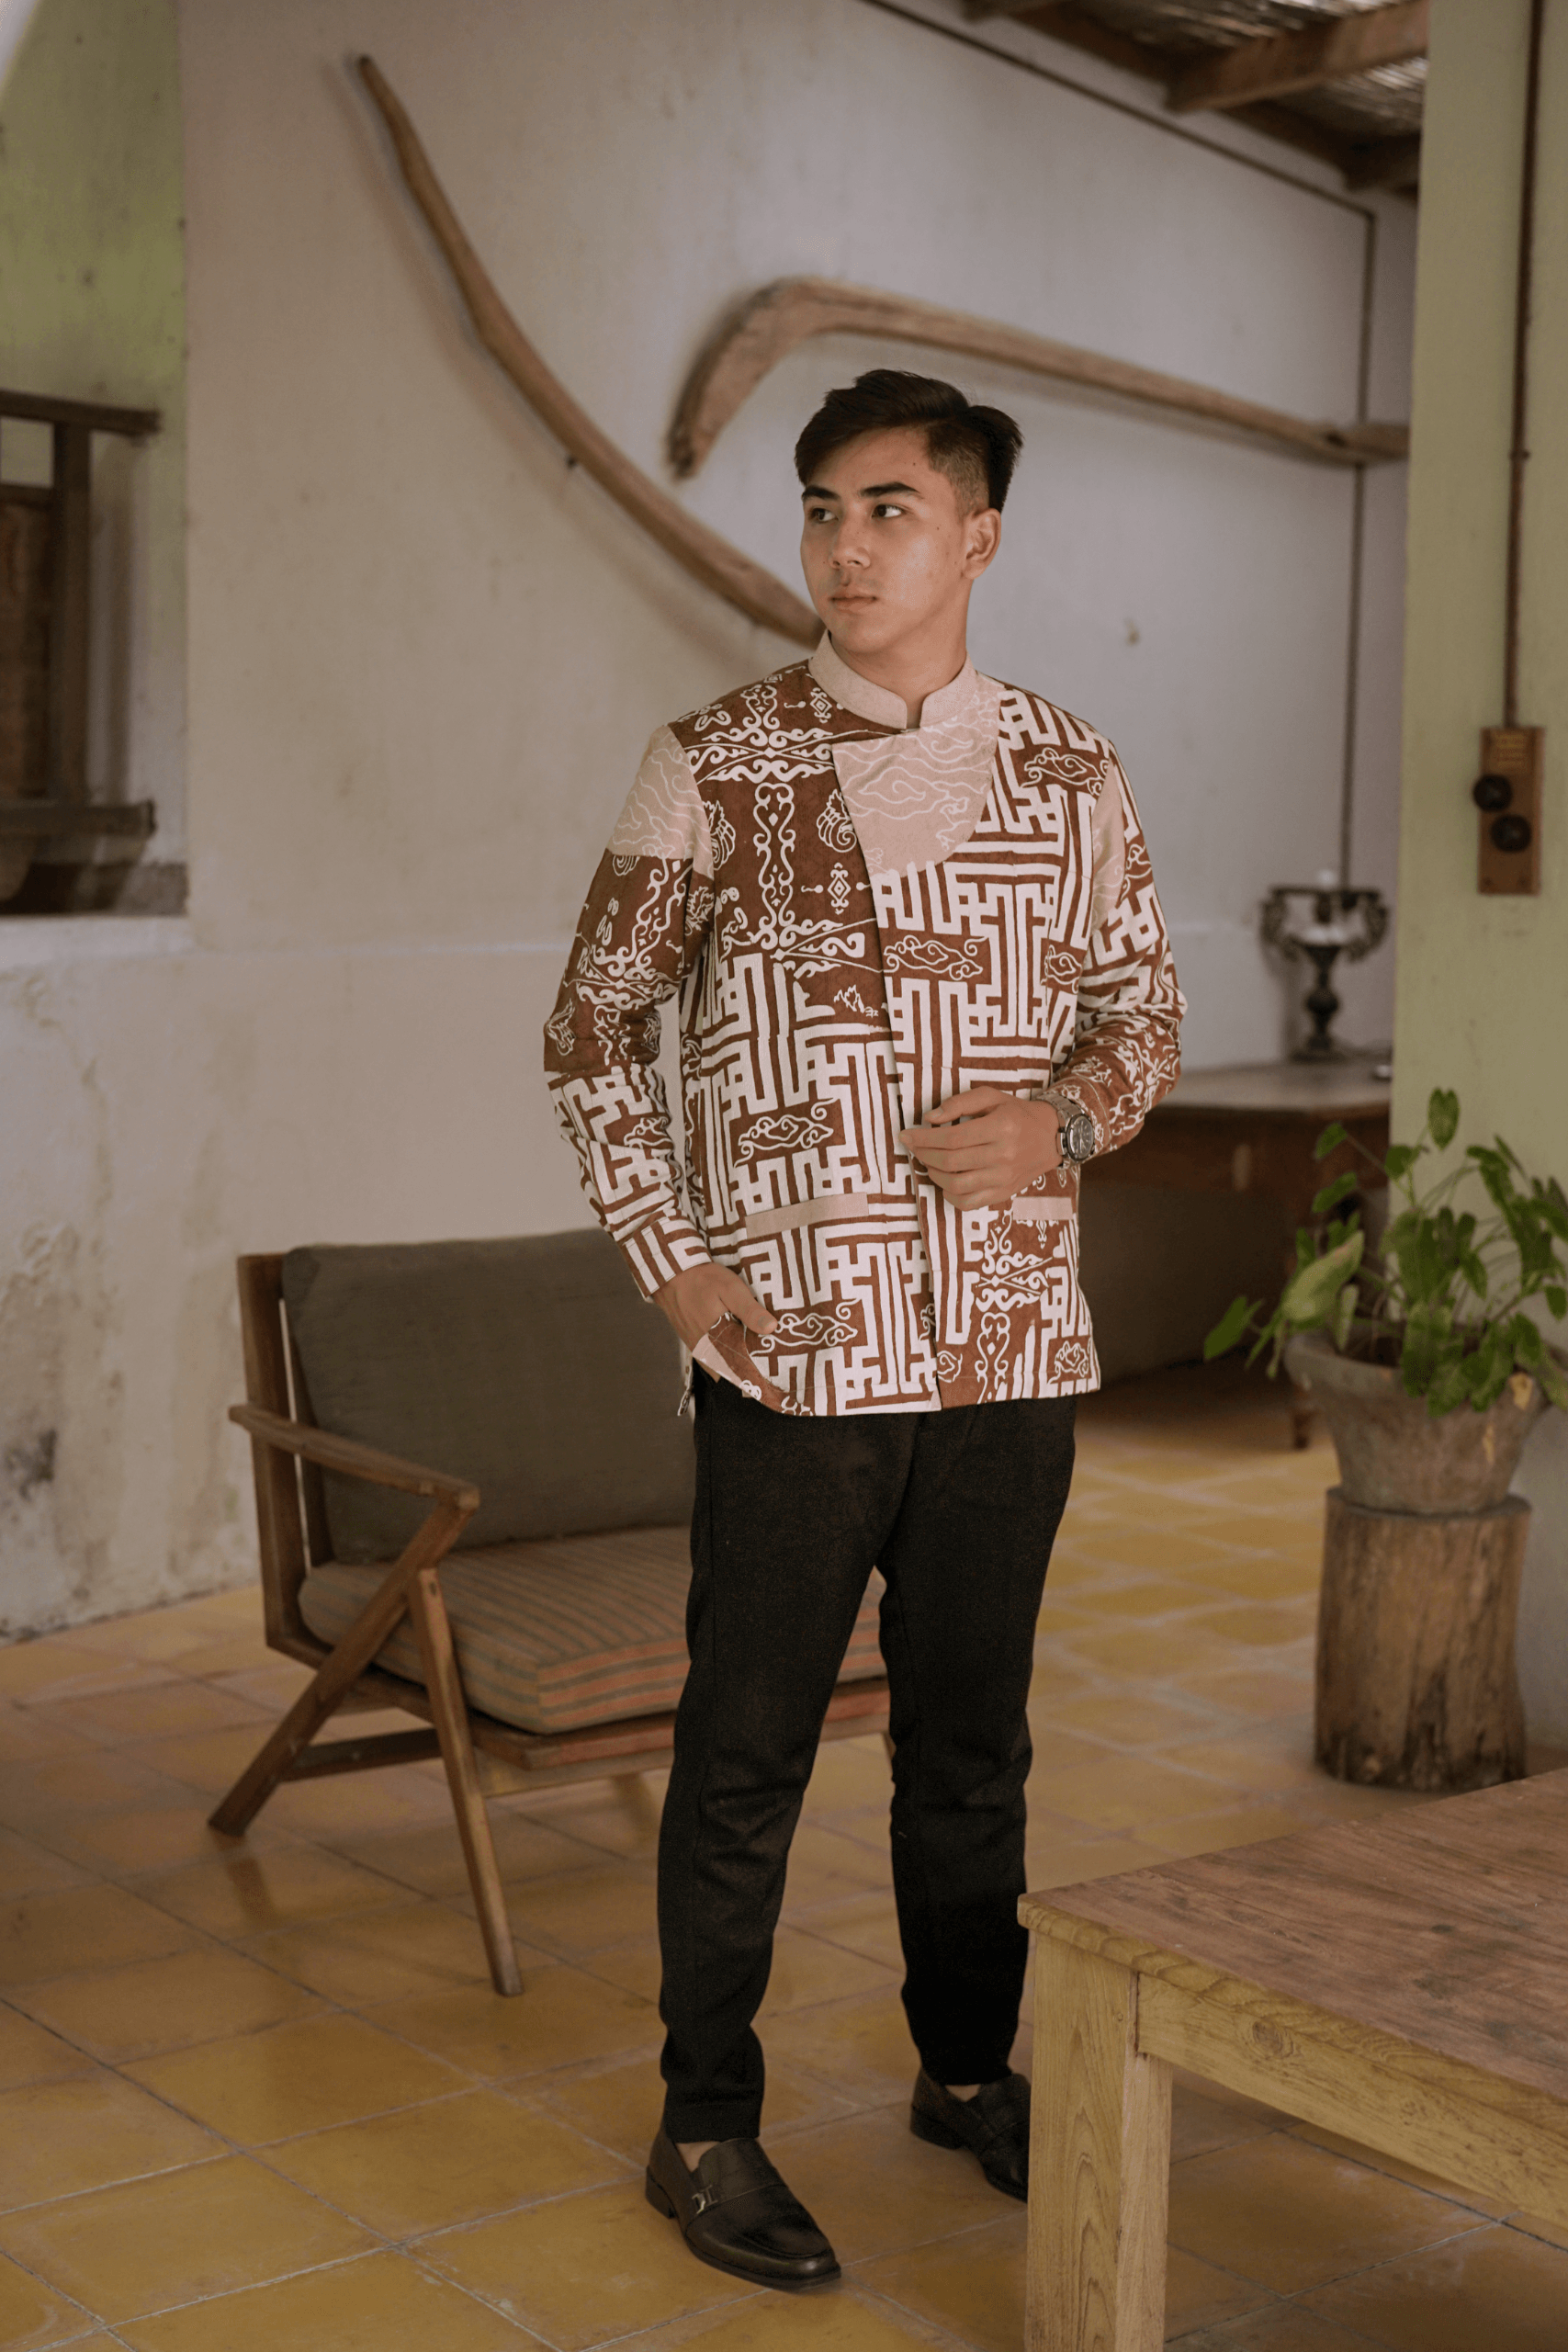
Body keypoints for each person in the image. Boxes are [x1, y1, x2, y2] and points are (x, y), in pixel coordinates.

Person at [545, 368, 1182, 2289]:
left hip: (1007, 1352)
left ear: (976, 536)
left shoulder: (1071, 770)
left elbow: (1142, 1017)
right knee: (744, 1751)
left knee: (970, 1745)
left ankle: (968, 2069)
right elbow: (590, 1034)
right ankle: (703, 2122)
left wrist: (1063, 1121)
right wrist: (671, 1260)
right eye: (822, 508)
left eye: (888, 508)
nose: (844, 544)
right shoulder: (713, 762)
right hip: (795, 1356)